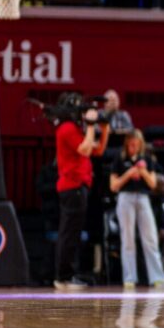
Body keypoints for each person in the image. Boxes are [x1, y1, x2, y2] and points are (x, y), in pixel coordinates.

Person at [53, 93, 110, 289]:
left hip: (79, 187)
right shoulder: (67, 128)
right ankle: (63, 277)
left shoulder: (76, 129)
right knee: (69, 233)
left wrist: (104, 127)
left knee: (73, 233)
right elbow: (85, 149)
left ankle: (66, 276)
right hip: (72, 186)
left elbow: (98, 150)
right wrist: (92, 125)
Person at [110, 129, 164, 288]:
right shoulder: (119, 159)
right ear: (127, 144)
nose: (133, 147)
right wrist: (128, 174)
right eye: (131, 144)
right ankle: (129, 278)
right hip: (125, 197)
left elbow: (153, 184)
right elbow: (113, 185)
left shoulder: (147, 159)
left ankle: (157, 277)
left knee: (150, 238)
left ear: (141, 144)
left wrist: (142, 171)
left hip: (142, 197)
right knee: (127, 239)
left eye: (136, 144)